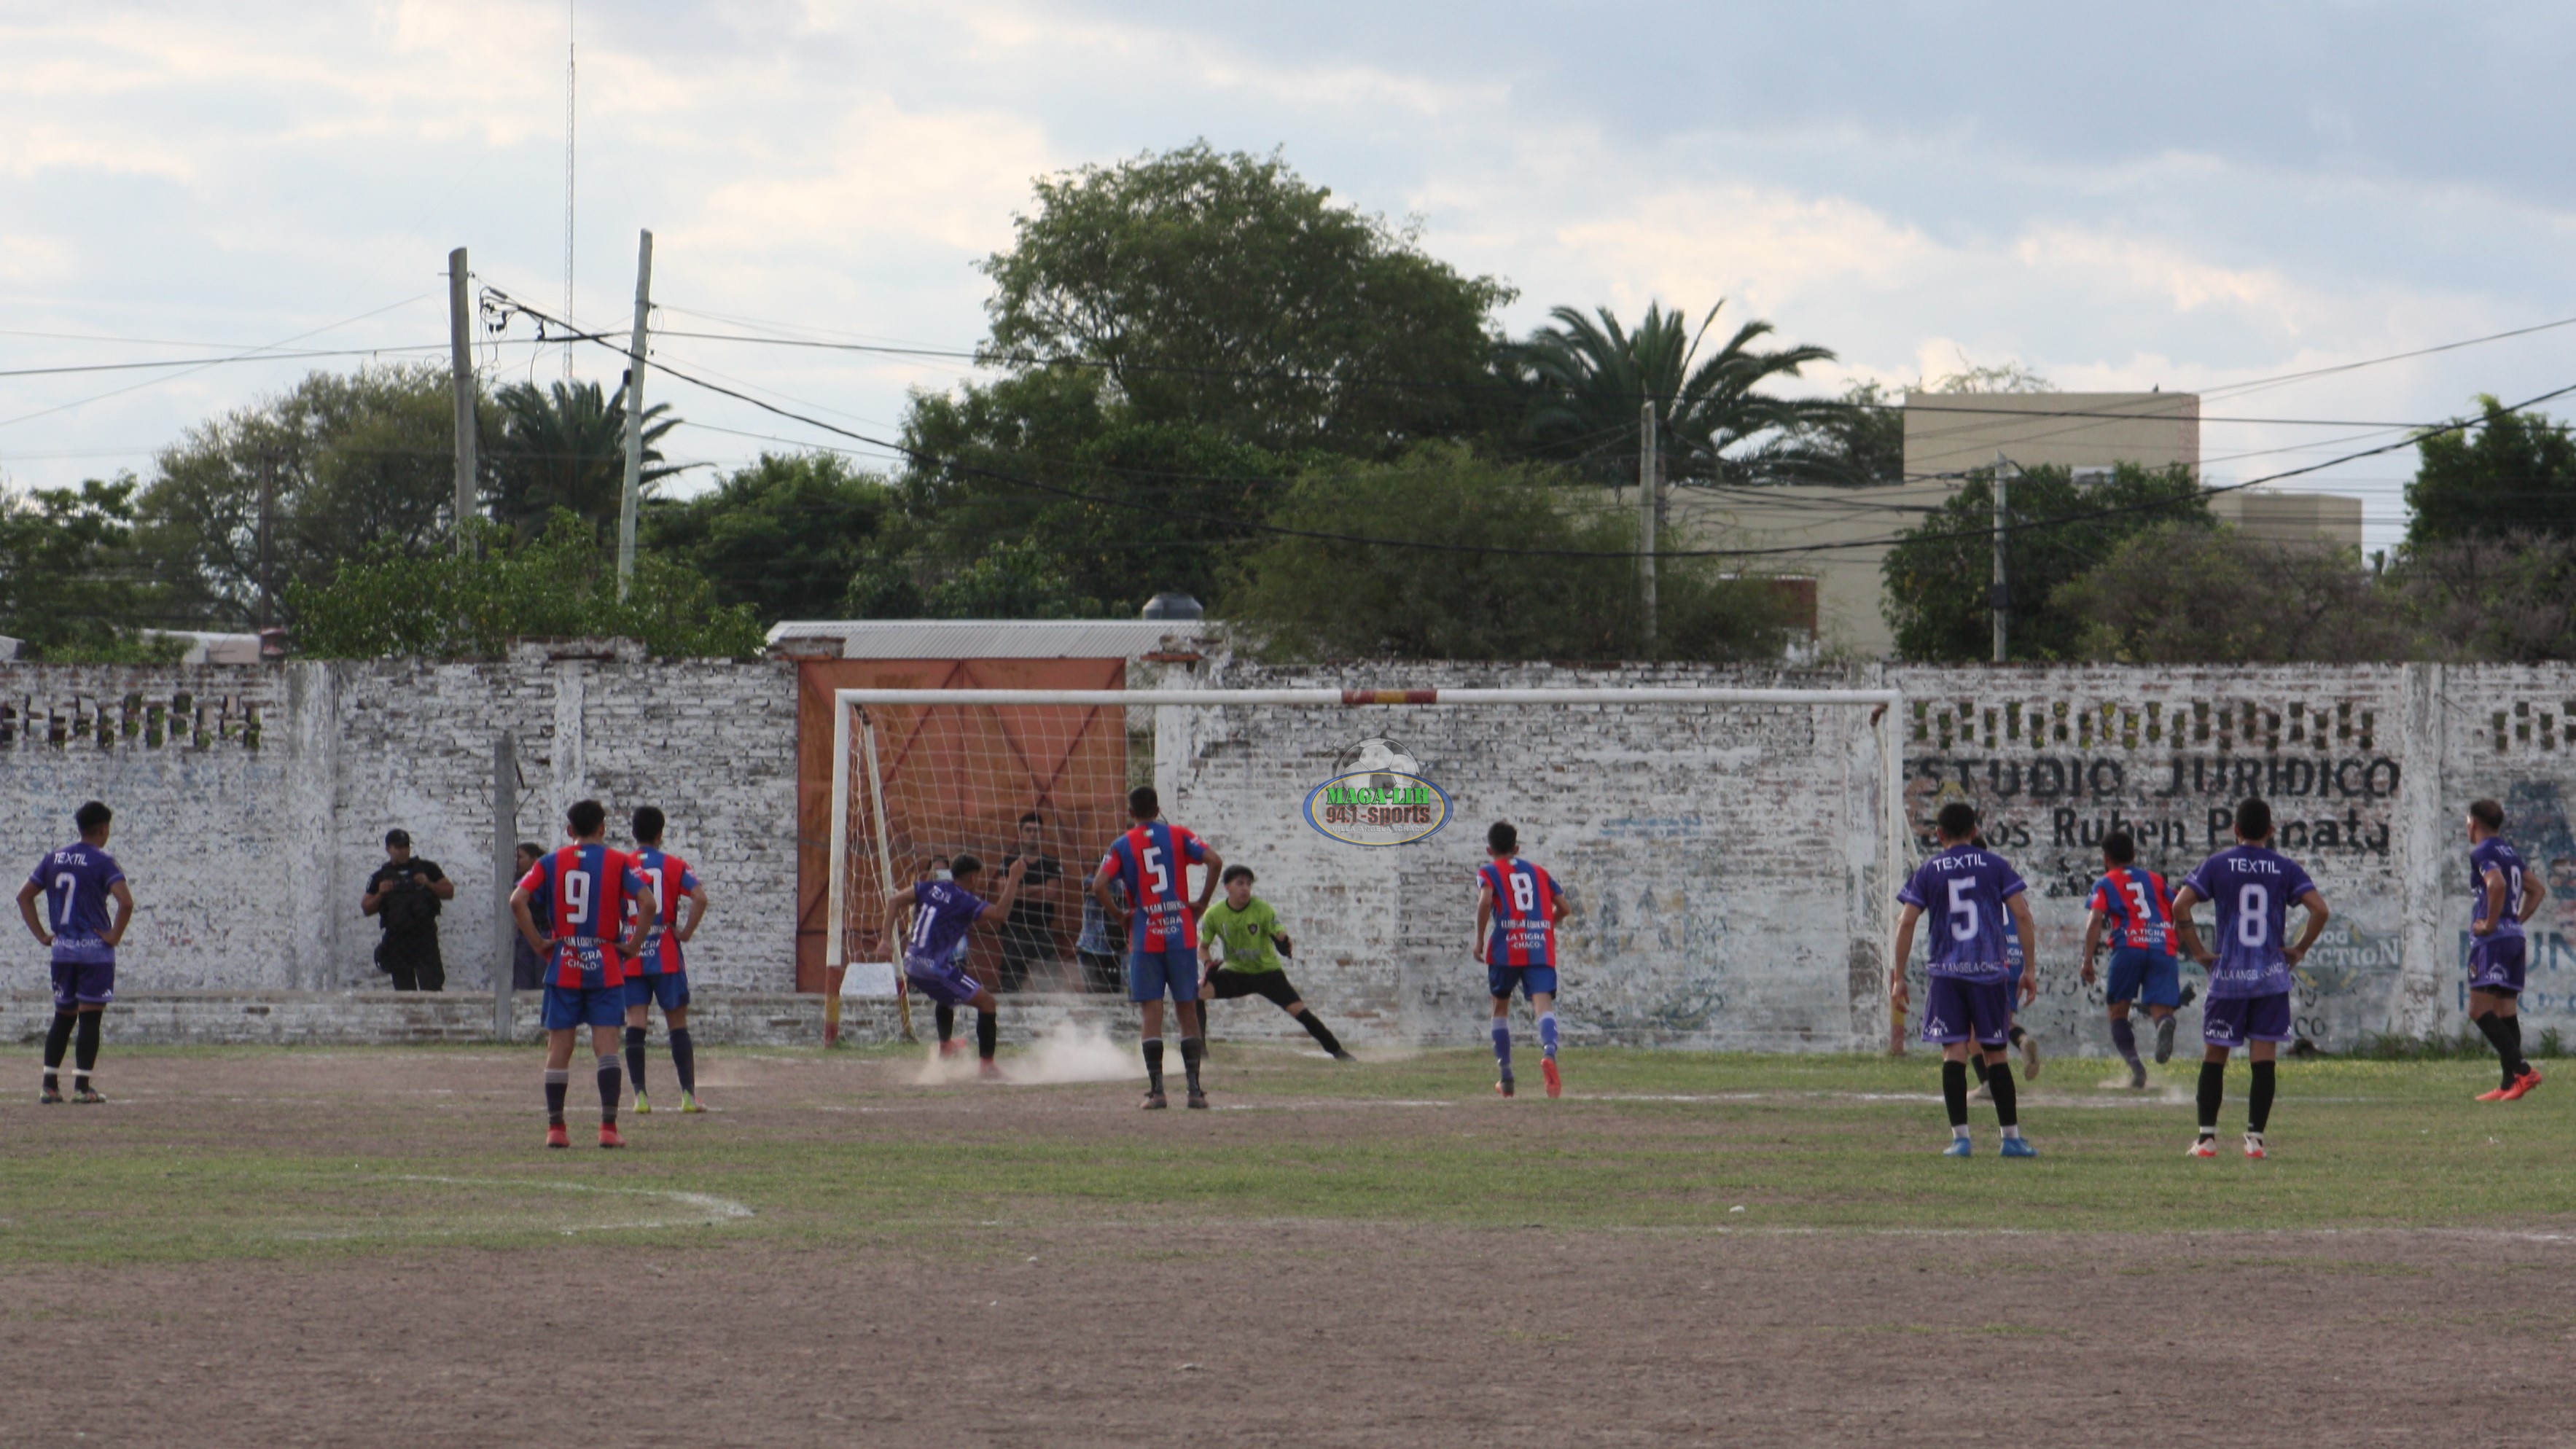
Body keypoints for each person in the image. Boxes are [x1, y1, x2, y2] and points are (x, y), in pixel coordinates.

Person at [2170, 797, 2329, 1160]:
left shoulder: (2218, 864)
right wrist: (2299, 949)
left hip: (2229, 977)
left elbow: (2180, 905)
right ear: (2271, 832)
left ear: (2236, 831)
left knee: (2215, 1055)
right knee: (2264, 1058)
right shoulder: (2284, 868)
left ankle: (2206, 1140)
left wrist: (2198, 951)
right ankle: (2255, 1140)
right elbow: (2320, 910)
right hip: (2271, 977)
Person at [1890, 802, 2040, 1158]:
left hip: (1947, 973)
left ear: (1938, 835)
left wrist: (1899, 977)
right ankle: (2011, 1139)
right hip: (1988, 971)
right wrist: (2029, 969)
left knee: (1953, 1052)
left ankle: (1960, 1140)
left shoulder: (1929, 870)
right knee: (1996, 1054)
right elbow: (2021, 913)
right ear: (1975, 831)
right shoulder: (1996, 865)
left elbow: (1906, 922)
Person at [512, 800, 657, 1150]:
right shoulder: (619, 861)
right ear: (603, 829)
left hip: (564, 960)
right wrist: (634, 945)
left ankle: (556, 1129)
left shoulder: (550, 862)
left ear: (569, 831)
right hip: (604, 961)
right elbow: (649, 904)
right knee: (606, 1047)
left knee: (559, 1047)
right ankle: (608, 1128)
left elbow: (518, 900)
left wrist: (538, 943)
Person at [1092, 785, 1221, 1109]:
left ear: (1130, 812)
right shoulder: (1178, 835)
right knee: (1186, 1008)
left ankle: (1158, 1092)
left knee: (1152, 1011)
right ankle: (1194, 1092)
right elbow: (1214, 861)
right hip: (1180, 932)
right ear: (1157, 808)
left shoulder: (1122, 844)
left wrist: (1120, 916)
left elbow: (1098, 885)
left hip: (1146, 932)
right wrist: (1202, 902)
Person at [17, 800, 133, 1104]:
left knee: (63, 1016)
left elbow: (24, 896)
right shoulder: (103, 862)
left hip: (63, 951)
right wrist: (114, 936)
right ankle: (82, 1087)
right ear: (103, 829)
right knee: (90, 1018)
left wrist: (42, 934)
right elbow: (126, 902)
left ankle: (49, 1085)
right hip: (95, 953)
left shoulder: (54, 858)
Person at [889, 852, 1031, 1078]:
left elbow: (895, 900)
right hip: (931, 968)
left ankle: (945, 1047)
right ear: (973, 878)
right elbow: (1001, 914)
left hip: (911, 963)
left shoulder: (929, 887)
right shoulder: (964, 900)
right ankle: (987, 1067)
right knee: (987, 1003)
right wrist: (1014, 878)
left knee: (948, 994)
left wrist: (884, 941)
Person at [1200, 864, 1355, 1061]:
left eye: (1249, 884)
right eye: (1240, 883)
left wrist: (1284, 942)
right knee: (1195, 993)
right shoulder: (1214, 914)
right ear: (1227, 887)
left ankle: (1337, 1051)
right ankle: (1200, 1050)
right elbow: (1202, 948)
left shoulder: (1262, 909)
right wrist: (1207, 965)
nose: (1245, 888)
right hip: (1236, 973)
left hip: (1268, 973)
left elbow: (1280, 933)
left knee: (1299, 1011)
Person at [2081, 829, 2185, 1090]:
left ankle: (2137, 1068)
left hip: (2128, 947)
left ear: (2106, 858)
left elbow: (2095, 919)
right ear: (2134, 855)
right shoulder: (2156, 880)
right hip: (2162, 945)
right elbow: (2180, 907)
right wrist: (2176, 939)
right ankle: (2165, 1023)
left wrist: (2087, 960)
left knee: (2118, 1012)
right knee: (2161, 1008)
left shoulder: (2105, 882)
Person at [1475, 821, 1570, 1099]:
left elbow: (1485, 901)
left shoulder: (1488, 871)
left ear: (1489, 850)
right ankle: (1549, 1052)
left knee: (1500, 1008)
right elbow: (1564, 907)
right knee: (1543, 1005)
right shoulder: (1539, 872)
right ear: (1517, 848)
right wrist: (1543, 924)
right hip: (1539, 946)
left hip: (1506, 946)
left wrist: (1480, 939)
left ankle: (1506, 1078)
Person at [623, 807, 709, 1115]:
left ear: (633, 833)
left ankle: (640, 1097)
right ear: (660, 834)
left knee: (635, 1021)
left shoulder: (623, 865)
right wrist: (684, 932)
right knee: (677, 1023)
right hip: (666, 952)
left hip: (632, 953)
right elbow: (700, 897)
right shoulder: (674, 865)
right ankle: (687, 1095)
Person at [2464, 798, 2546, 1101]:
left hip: (2493, 941)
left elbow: (2496, 885)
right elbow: (2537, 890)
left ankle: (2523, 1071)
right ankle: (2508, 1083)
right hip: (2514, 938)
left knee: (2479, 1010)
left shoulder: (2483, 852)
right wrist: (2515, 920)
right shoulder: (2509, 852)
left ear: (2472, 822)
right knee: (2505, 1010)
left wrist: (2490, 924)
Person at [362, 829, 453, 991]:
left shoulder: (427, 869)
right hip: (398, 941)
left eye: (406, 846)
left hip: (425, 939)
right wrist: (380, 894)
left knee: (433, 988)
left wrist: (429, 884)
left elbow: (449, 891)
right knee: (404, 992)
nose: (403, 850)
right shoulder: (380, 876)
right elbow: (366, 908)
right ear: (388, 849)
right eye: (398, 847)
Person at [996, 811, 1065, 993]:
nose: (1033, 834)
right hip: (1014, 929)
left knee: (1049, 980)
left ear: (1043, 834)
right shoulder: (1009, 862)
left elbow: (1051, 894)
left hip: (1042, 930)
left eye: (1037, 830)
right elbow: (1002, 893)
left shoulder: (1051, 863)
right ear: (1020, 834)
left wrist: (1016, 889)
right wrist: (1038, 888)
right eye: (1028, 830)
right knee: (1011, 980)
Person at [1075, 867, 1128, 995]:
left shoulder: (1120, 885)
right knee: (1093, 991)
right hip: (1089, 949)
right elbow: (1096, 888)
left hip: (1114, 951)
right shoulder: (1089, 881)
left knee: (1114, 993)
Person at [509, 843, 547, 990]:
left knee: (542, 978)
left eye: (520, 857)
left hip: (544, 933)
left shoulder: (546, 878)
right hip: (524, 935)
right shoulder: (516, 880)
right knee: (523, 978)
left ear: (535, 859)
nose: (517, 861)